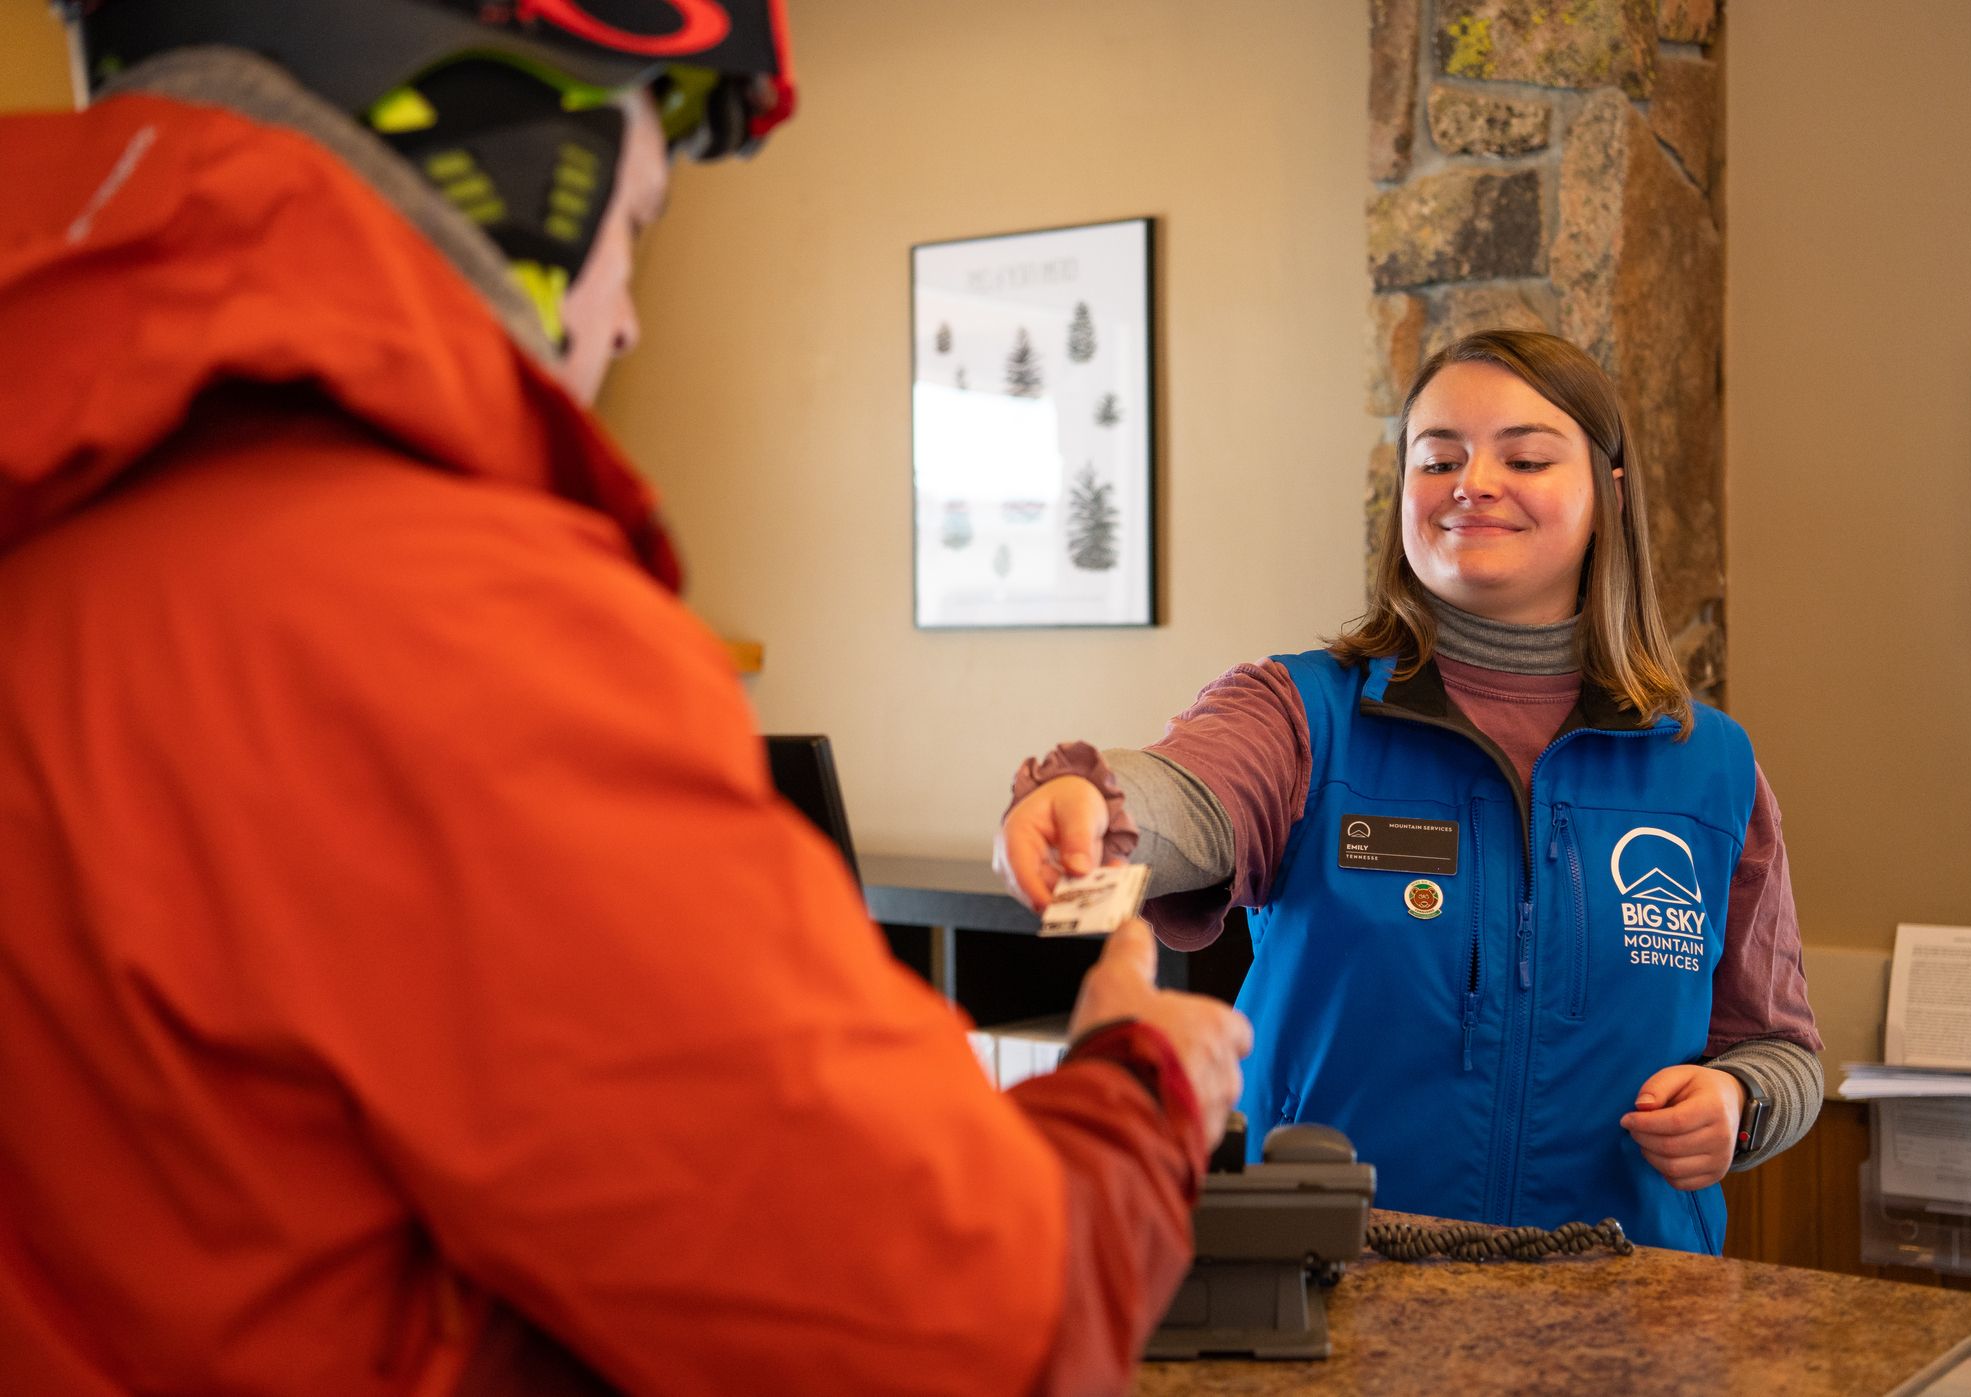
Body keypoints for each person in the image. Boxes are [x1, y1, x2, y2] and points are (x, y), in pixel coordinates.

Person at [0, 3, 1251, 1393]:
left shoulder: (68, 536)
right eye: (636, 228)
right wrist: (1138, 1085)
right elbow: (960, 1329)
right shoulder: (456, 627)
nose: (630, 314)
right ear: (518, 168)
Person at [999, 329, 1824, 1254]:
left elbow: (1783, 1053)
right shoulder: (1302, 713)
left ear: (1607, 493)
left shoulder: (1709, 765)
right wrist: (1092, 806)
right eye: (1438, 458)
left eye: (1524, 456)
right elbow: (1183, 797)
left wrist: (1737, 1103)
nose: (1473, 481)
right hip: (1333, 1282)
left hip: (1624, 1296)